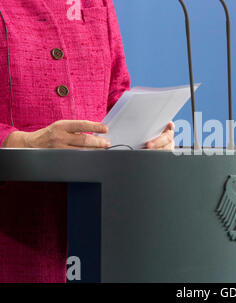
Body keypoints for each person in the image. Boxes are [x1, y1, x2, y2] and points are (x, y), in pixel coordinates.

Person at [0, 0, 174, 282]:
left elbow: (116, 94)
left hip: (99, 225)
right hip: (13, 232)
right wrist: (25, 141)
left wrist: (149, 132)